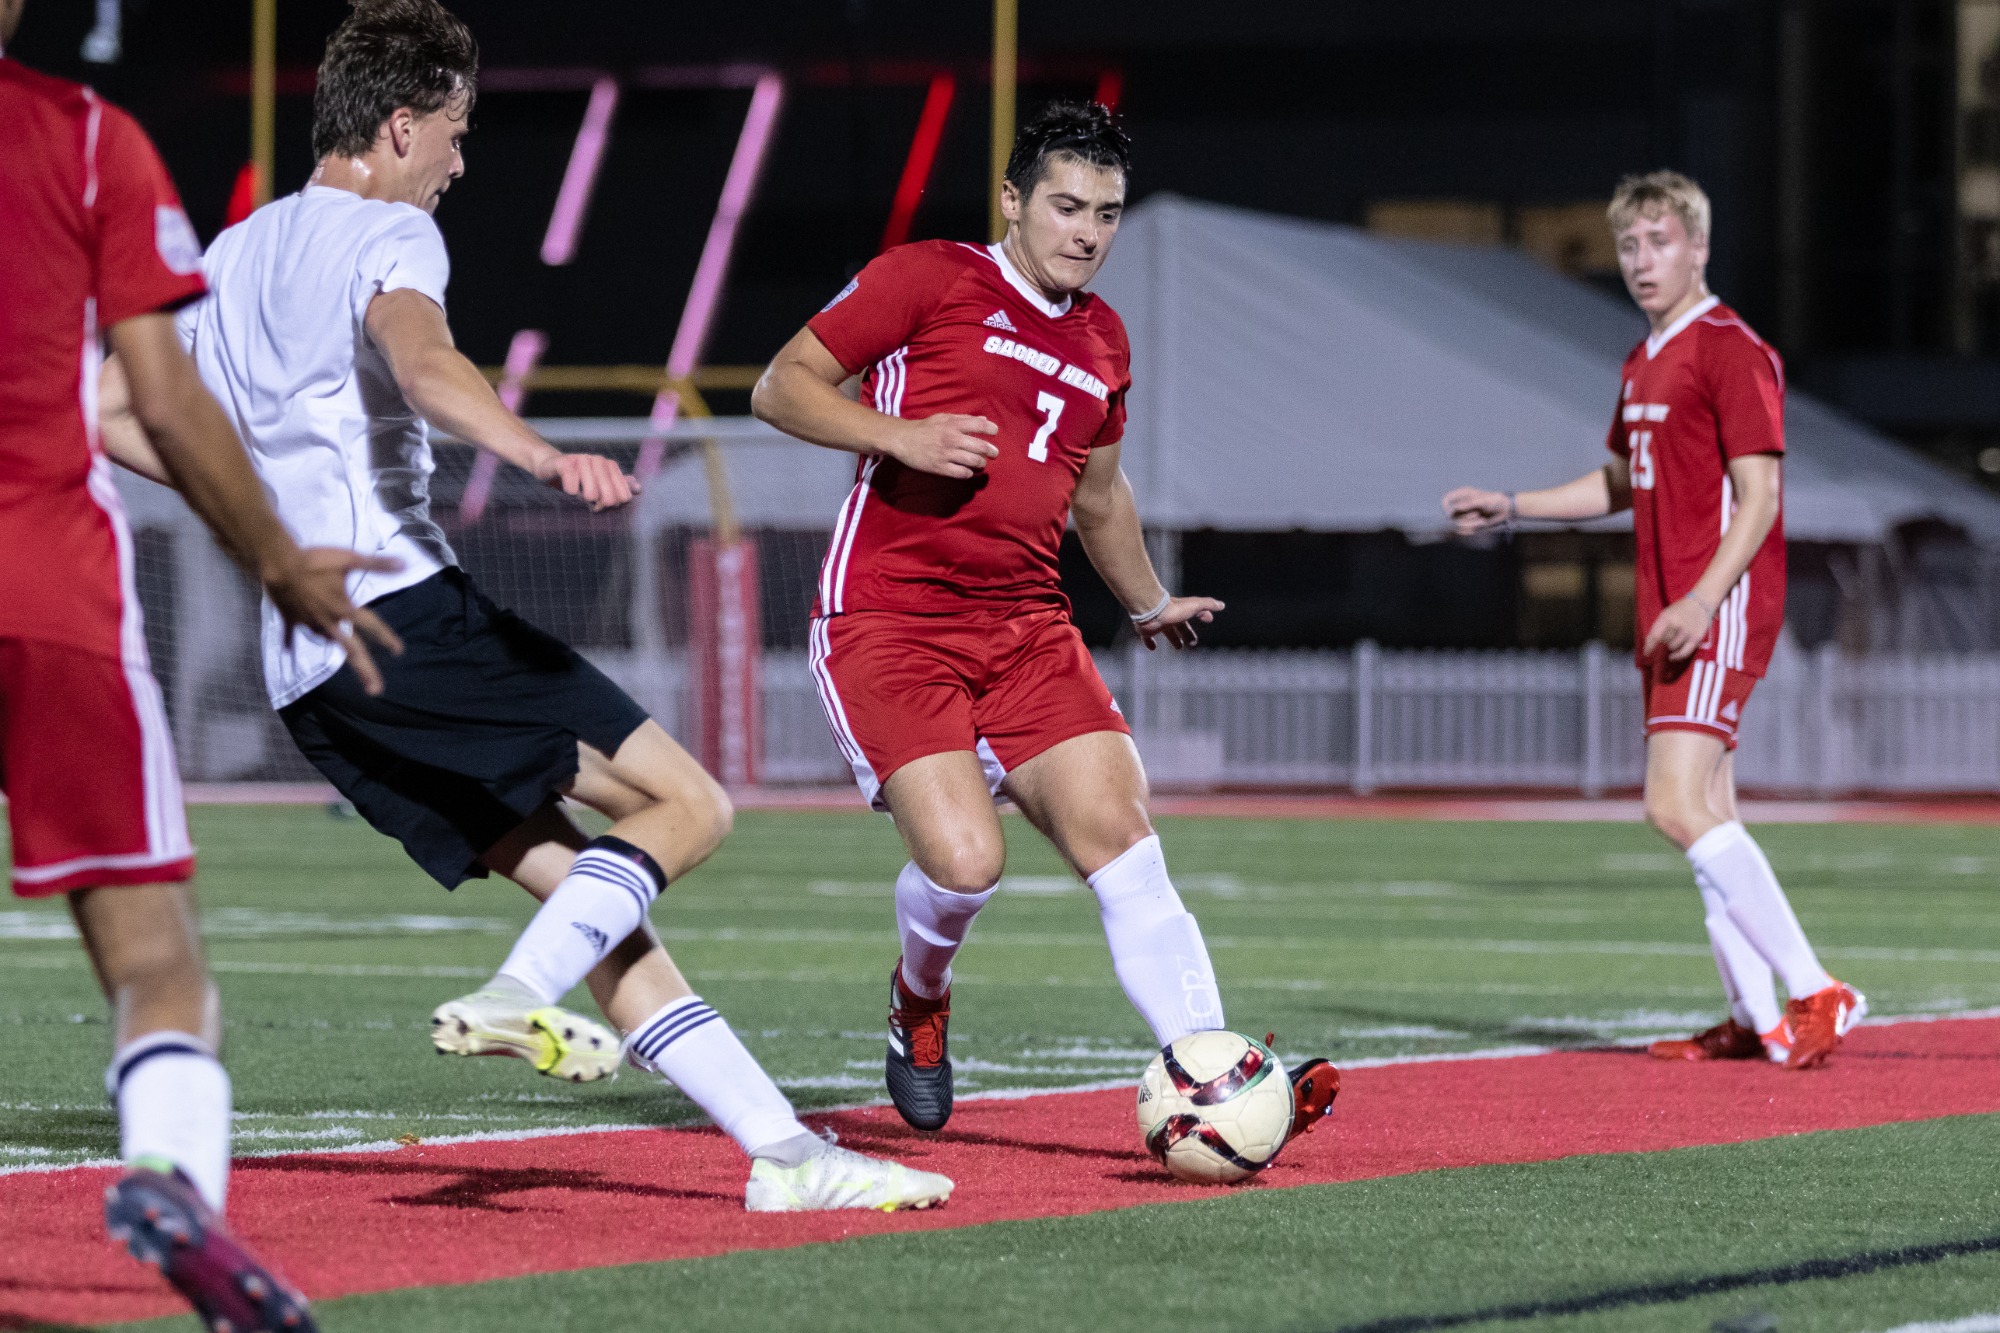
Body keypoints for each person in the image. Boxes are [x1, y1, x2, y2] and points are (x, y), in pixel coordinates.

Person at [143, 0, 949, 1213]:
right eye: (457, 134)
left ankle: (784, 1152)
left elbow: (136, 416)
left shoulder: (235, 251)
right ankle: (518, 997)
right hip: (403, 614)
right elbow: (422, 361)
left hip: (309, 674)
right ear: (401, 124)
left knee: (597, 904)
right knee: (689, 802)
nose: (463, 164)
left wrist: (252, 512)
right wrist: (533, 454)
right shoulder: (390, 234)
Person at [753, 102, 1338, 1137]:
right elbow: (779, 386)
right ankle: (918, 1000)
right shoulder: (927, 277)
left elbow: (1099, 496)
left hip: (1027, 627)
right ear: (1013, 202)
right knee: (967, 864)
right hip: (889, 623)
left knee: (1124, 840)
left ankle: (1217, 1075)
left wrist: (1147, 600)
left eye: (1105, 214)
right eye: (1065, 207)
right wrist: (901, 436)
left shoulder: (1103, 338)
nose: (1085, 232)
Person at [1, 0, 403, 1324]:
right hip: (48, 583)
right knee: (156, 958)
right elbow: (162, 397)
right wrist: (282, 561)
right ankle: (171, 1180)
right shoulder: (86, 140)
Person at [1442, 171, 1864, 1070]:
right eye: (1629, 245)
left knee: (1671, 802)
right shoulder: (1643, 360)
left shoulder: (1729, 349)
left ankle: (1817, 987)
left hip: (1715, 600)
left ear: (1699, 247)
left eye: (1659, 242)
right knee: (1712, 811)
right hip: (1670, 605)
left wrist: (1707, 595)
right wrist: (1512, 504)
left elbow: (1762, 496)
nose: (1641, 260)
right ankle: (1757, 1016)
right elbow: (1614, 482)